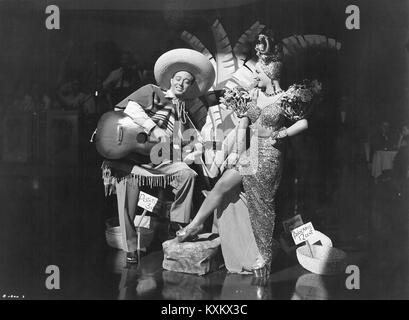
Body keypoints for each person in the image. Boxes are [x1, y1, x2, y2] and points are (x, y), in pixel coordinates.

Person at [176, 34, 321, 277]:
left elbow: (303, 123)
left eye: (257, 73)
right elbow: (241, 127)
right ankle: (195, 224)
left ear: (268, 73)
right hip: (251, 153)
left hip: (271, 156)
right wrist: (233, 154)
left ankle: (263, 256)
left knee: (261, 206)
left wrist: (283, 133)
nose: (253, 77)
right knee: (221, 184)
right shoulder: (254, 97)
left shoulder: (285, 98)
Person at [103, 48, 215, 263]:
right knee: (127, 195)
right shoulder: (152, 91)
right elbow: (131, 108)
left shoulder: (184, 112)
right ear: (171, 79)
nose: (181, 84)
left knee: (187, 174)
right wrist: (153, 128)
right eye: (178, 79)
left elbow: (185, 142)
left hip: (160, 160)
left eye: (187, 81)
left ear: (191, 86)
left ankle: (178, 226)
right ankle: (131, 249)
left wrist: (194, 150)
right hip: (132, 157)